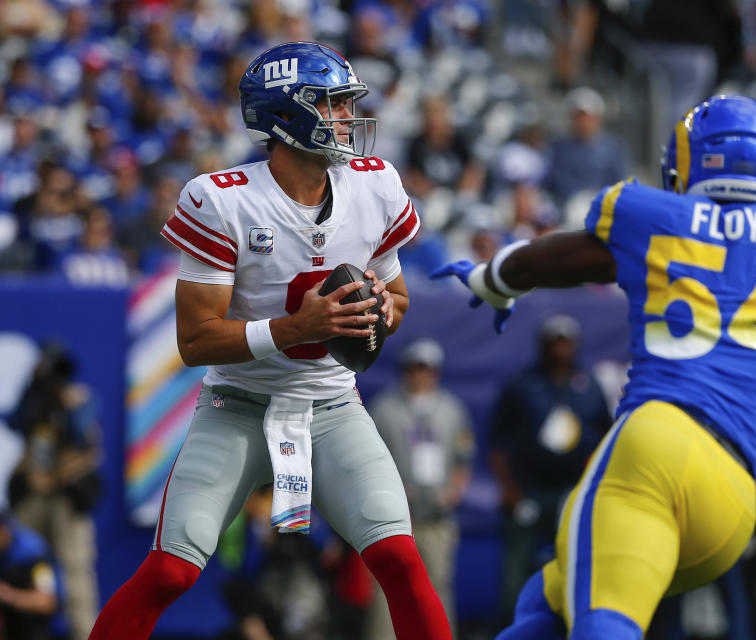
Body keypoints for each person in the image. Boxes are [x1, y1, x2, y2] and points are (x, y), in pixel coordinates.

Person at [432, 95, 756, 639]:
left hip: (656, 449)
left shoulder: (649, 215)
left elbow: (553, 257)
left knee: (600, 617)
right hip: (731, 497)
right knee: (550, 598)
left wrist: (491, 279)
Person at [89, 41, 451, 640]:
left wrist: (382, 310)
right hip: (238, 406)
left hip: (333, 406)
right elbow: (196, 341)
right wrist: (296, 329)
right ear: (286, 115)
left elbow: (400, 300)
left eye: (344, 104)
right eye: (331, 104)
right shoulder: (222, 199)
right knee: (171, 572)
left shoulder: (375, 184)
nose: (345, 117)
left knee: (400, 558)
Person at [488, 314, 611, 625]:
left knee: (573, 566)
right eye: (554, 342)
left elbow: (606, 438)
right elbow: (497, 441)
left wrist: (591, 487)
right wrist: (509, 489)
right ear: (542, 345)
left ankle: (570, 628)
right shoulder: (523, 384)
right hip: (528, 489)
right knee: (516, 570)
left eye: (565, 342)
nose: (560, 349)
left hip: (572, 491)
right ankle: (512, 628)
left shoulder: (588, 385)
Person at [367, 338, 475, 640]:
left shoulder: (452, 409)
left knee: (438, 585)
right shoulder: (386, 409)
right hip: (396, 517)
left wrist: (454, 490)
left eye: (427, 369)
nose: (421, 375)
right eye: (416, 368)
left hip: (438, 515)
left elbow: (464, 457)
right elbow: (369, 459)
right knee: (388, 586)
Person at [9, 343, 101, 640]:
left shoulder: (79, 398)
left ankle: (85, 634)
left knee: (76, 569)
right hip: (34, 493)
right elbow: (18, 422)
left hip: (67, 495)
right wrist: (36, 388)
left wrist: (67, 405)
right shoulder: (32, 399)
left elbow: (84, 439)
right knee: (19, 563)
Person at [0, 512, 61, 640]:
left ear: (4, 529)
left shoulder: (33, 552)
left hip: (43, 632)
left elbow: (47, 602)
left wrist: (8, 595)